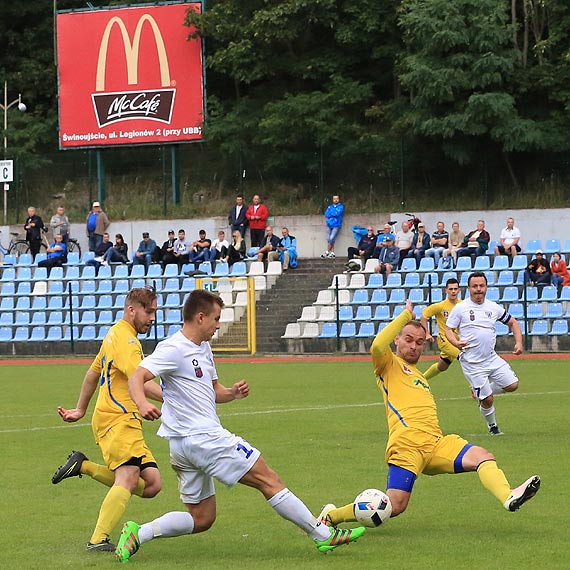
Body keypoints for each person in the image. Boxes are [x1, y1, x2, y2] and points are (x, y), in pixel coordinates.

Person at [113, 290, 365, 562]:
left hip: (184, 446)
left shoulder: (204, 348)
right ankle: (322, 535)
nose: (219, 325)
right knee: (268, 478)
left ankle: (138, 533)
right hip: (204, 439)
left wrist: (232, 393)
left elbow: (214, 391)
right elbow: (137, 376)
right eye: (216, 318)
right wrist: (141, 404)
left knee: (202, 518)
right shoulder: (173, 348)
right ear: (200, 317)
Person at [318, 299, 540, 531]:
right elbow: (376, 346)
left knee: (483, 456)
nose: (414, 346)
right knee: (393, 506)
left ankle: (508, 497)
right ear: (397, 340)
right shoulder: (389, 364)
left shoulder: (419, 376)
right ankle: (332, 516)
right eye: (408, 339)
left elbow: (440, 366)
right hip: (407, 445)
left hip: (435, 444)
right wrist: (405, 316)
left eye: (420, 342)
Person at [52, 288, 163, 551]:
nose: (152, 318)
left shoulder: (114, 333)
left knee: (152, 485)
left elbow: (93, 374)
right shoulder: (127, 341)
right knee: (127, 477)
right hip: (119, 419)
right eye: (149, 312)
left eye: (155, 312)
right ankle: (97, 540)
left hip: (115, 419)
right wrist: (175, 397)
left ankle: (83, 466)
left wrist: (80, 409)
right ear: (132, 309)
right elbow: (141, 382)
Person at [445, 272, 523, 435]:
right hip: (472, 363)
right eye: (475, 286)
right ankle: (493, 427)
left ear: (486, 287)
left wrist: (519, 342)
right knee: (487, 400)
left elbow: (513, 322)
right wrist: (456, 342)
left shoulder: (493, 307)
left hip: (491, 358)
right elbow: (449, 330)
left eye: (481, 286)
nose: (478, 289)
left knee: (513, 385)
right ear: (469, 288)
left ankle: (479, 391)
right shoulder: (461, 308)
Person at [420, 278, 461, 380]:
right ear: (446, 290)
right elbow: (424, 316)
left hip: (457, 340)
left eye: (455, 289)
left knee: (442, 366)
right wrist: (427, 334)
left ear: (459, 290)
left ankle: (420, 380)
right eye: (450, 289)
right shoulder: (440, 306)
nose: (453, 291)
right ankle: (474, 387)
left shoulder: (463, 305)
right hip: (444, 340)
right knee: (465, 358)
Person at [321, 194, 344, 258]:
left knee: (331, 238)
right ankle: (332, 253)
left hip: (336, 224)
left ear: (338, 199)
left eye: (337, 199)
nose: (335, 200)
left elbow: (337, 214)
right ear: (333, 199)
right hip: (329, 224)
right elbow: (326, 214)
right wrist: (332, 213)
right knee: (329, 239)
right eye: (334, 199)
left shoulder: (341, 206)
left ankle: (327, 252)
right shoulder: (330, 206)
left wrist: (331, 212)